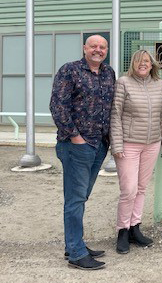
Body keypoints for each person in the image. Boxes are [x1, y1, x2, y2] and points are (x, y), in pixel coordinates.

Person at [50, 35, 115, 270]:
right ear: (85, 48)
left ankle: (74, 244)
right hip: (76, 146)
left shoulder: (109, 73)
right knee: (75, 199)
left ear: (106, 50)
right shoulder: (70, 70)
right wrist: (76, 137)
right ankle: (77, 253)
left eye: (102, 47)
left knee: (80, 197)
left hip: (99, 145)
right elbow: (58, 105)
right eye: (93, 46)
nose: (98, 50)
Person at [110, 49, 162, 254]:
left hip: (152, 143)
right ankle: (122, 231)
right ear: (133, 64)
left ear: (152, 64)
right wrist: (116, 144)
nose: (142, 64)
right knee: (129, 189)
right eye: (138, 61)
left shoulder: (159, 84)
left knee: (142, 188)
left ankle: (135, 228)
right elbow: (115, 115)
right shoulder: (123, 82)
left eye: (146, 61)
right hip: (129, 143)